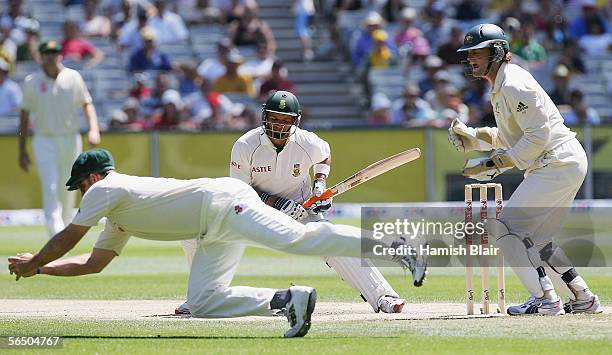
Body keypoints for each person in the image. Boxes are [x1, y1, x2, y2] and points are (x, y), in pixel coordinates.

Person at [8, 148, 419, 338]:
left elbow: (67, 236)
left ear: (92, 178)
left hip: (222, 202)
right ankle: (287, 300)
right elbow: (93, 263)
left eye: (80, 186)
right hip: (212, 227)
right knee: (203, 301)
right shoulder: (118, 213)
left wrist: (35, 260)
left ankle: (394, 245)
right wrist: (41, 268)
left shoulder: (107, 187)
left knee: (299, 238)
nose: (82, 195)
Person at [177, 90, 424, 316]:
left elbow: (324, 155)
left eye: (285, 120)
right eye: (274, 118)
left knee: (332, 239)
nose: (279, 125)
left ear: (295, 121)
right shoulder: (245, 145)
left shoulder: (307, 141)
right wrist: (276, 203)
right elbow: (240, 190)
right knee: (195, 234)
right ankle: (198, 297)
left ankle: (384, 297)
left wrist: (319, 183)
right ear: (264, 117)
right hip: (250, 211)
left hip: (301, 209)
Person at [448, 23, 602, 315]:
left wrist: (493, 164)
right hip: (560, 162)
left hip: (556, 161)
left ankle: (545, 299)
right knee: (540, 240)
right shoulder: (501, 85)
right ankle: (583, 296)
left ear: (496, 51)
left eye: (476, 53)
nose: (470, 59)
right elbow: (511, 137)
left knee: (506, 228)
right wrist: (473, 138)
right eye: (468, 54)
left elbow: (537, 136)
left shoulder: (515, 84)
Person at [18, 40, 101, 238]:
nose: (50, 56)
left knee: (69, 185)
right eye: (46, 52)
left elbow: (86, 104)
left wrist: (94, 129)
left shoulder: (73, 77)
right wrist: (21, 150)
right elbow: (24, 116)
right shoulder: (32, 81)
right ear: (40, 55)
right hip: (44, 139)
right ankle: (55, 232)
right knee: (50, 184)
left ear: (60, 55)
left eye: (54, 52)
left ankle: (64, 230)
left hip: (70, 138)